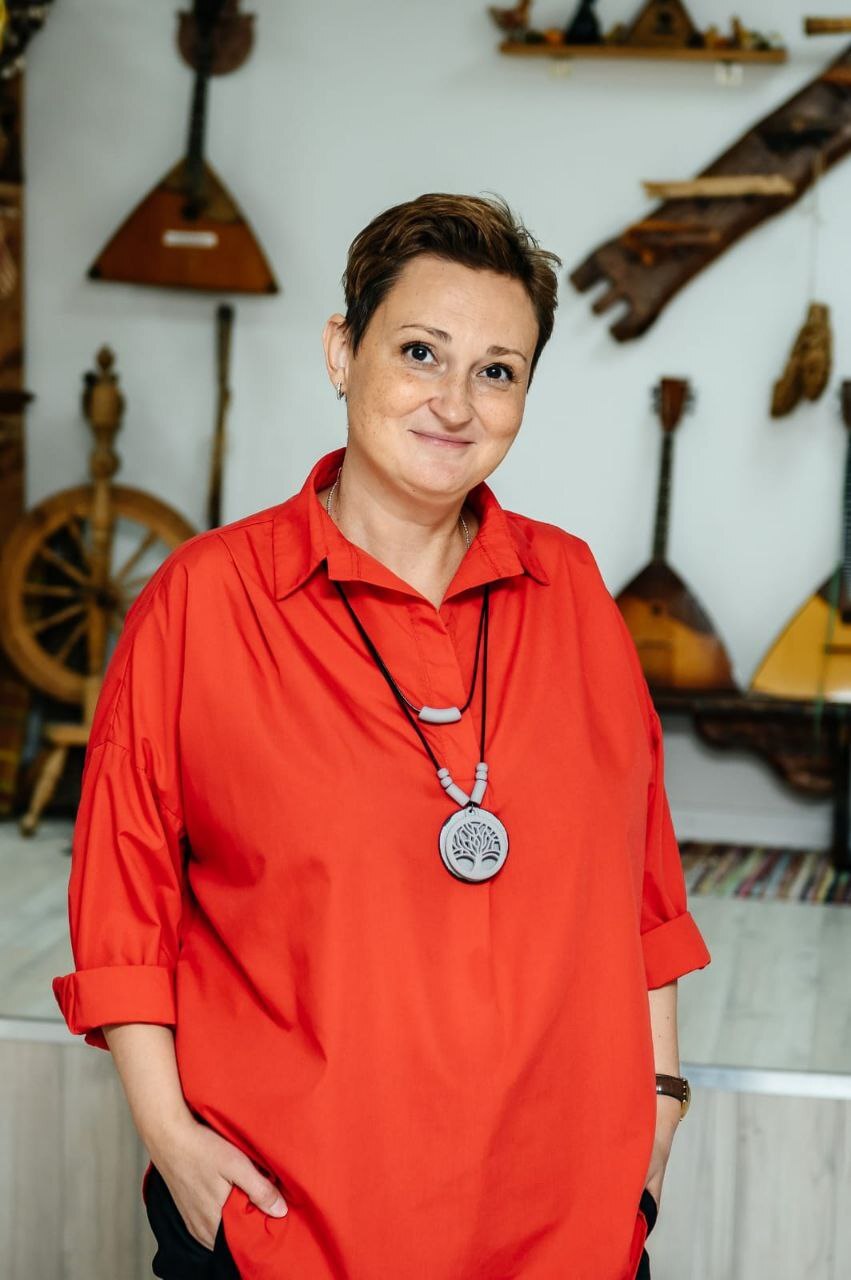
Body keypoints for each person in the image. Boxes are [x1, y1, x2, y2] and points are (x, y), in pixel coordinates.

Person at [52, 191, 711, 1280]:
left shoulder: (573, 589)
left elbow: (642, 884)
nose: (453, 402)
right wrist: (172, 1141)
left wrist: (659, 1104)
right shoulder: (203, 600)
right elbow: (124, 905)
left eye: (496, 370)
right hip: (293, 1231)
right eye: (419, 352)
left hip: (567, 1230)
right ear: (341, 351)